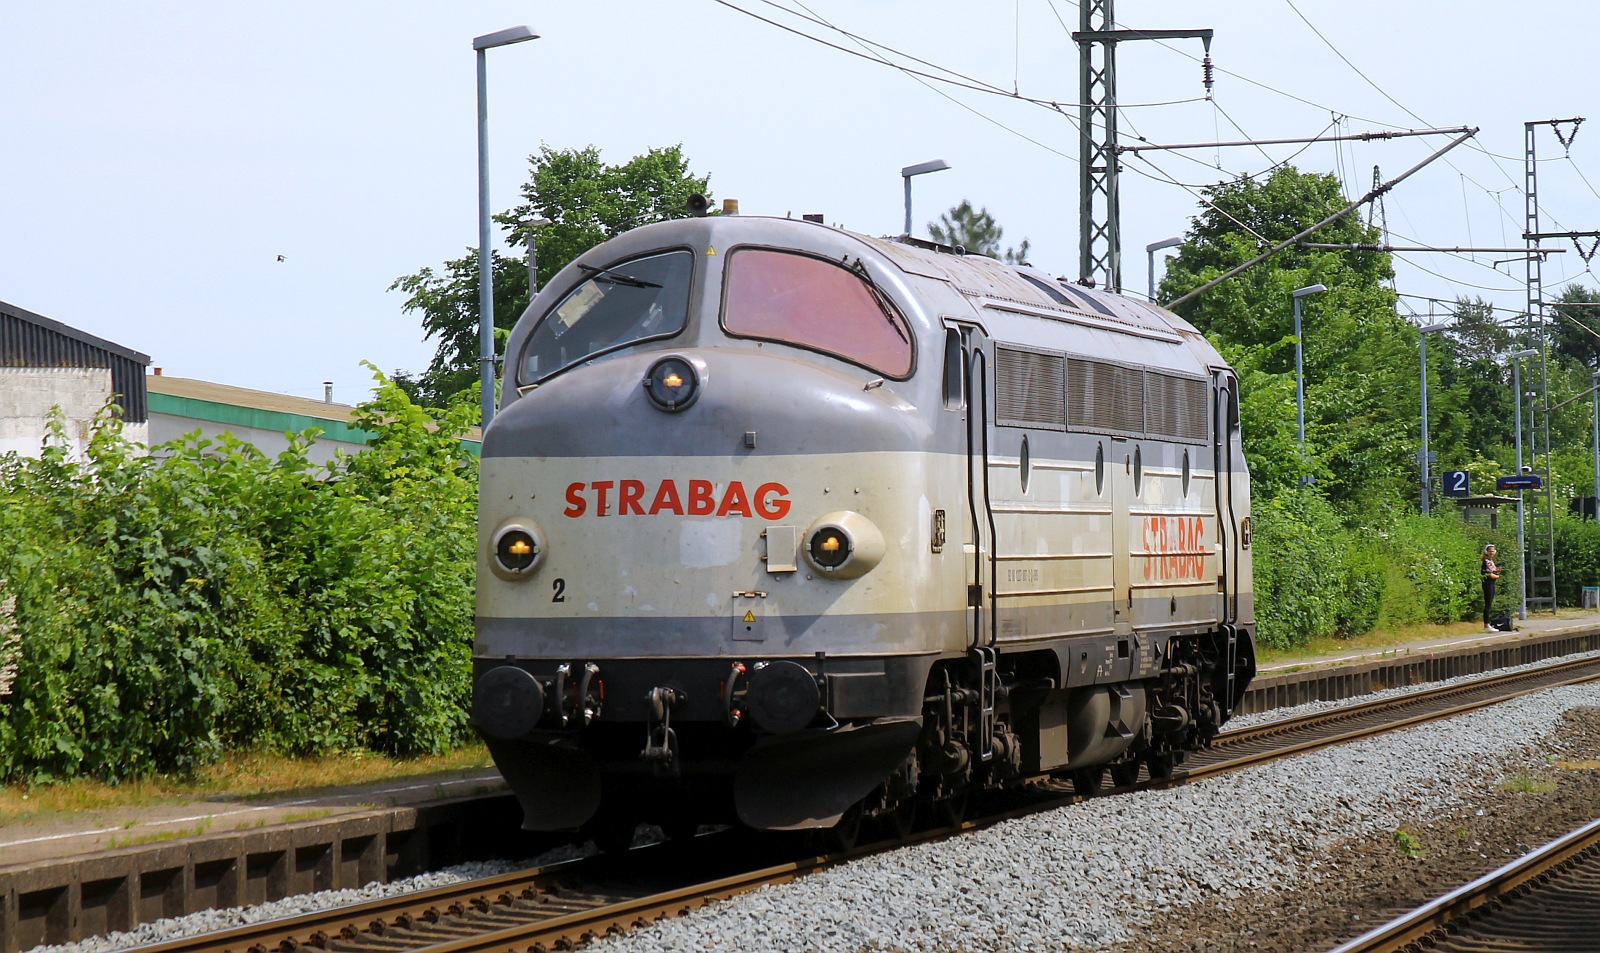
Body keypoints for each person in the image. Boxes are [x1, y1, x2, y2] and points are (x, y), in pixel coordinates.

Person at [1481, 544, 1501, 630]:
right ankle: (1486, 624)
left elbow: (1492, 570)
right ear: (1486, 552)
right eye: (1490, 551)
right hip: (1487, 583)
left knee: (1490, 603)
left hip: (1492, 584)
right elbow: (1487, 573)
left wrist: (1497, 571)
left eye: (1493, 551)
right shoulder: (1485, 561)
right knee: (1488, 604)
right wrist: (1496, 576)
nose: (1492, 553)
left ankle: (1488, 623)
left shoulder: (1490, 561)